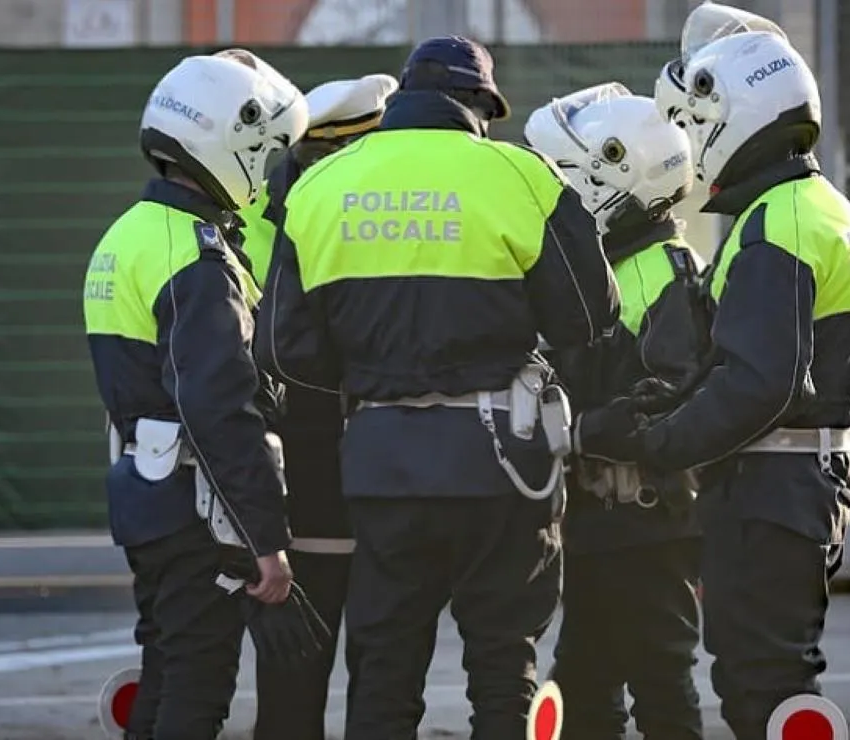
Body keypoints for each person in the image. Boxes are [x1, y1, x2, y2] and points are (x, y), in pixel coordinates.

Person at [255, 35, 618, 740]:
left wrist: (370, 370)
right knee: (502, 663)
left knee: (385, 666)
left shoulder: (320, 187)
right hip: (500, 460)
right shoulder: (523, 175)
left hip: (380, 462)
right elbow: (589, 317)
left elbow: (281, 350)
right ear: (479, 105)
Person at [576, 11, 850, 740]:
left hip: (772, 486)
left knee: (764, 684)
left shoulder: (778, 223)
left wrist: (657, 442)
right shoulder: (816, 209)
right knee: (766, 677)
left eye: (694, 121)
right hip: (795, 481)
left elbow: (759, 384)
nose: (690, 141)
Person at [82, 50, 328, 740]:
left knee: (165, 668)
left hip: (144, 494)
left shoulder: (126, 235)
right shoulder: (198, 257)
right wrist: (266, 541)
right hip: (196, 509)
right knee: (199, 686)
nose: (269, 169)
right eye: (267, 150)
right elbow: (221, 410)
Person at [523, 82, 706, 740]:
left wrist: (575, 432)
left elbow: (674, 395)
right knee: (583, 682)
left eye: (567, 179)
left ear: (613, 176)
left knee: (658, 679)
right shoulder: (612, 269)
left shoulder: (666, 273)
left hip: (646, 521)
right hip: (602, 518)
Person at [237, 72, 398, 740]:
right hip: (331, 470)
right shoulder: (366, 215)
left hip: (312, 473)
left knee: (318, 675)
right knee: (370, 671)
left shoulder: (254, 217)